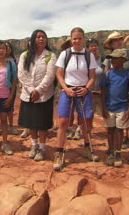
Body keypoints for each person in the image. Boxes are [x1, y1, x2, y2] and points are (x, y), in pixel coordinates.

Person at [53, 27, 98, 171]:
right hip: (68, 90)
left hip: (84, 91)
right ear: (71, 39)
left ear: (83, 39)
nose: (77, 41)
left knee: (86, 121)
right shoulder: (65, 54)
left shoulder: (88, 55)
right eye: (74, 38)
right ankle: (59, 153)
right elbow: (59, 74)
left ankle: (86, 148)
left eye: (79, 38)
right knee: (63, 122)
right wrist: (66, 89)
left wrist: (86, 88)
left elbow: (92, 76)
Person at [18, 30, 57, 161]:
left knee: (42, 123)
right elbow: (22, 74)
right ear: (33, 39)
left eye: (43, 37)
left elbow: (50, 75)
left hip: (44, 96)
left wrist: (38, 90)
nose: (41, 39)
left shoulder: (50, 55)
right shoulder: (25, 55)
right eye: (38, 37)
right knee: (31, 122)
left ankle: (42, 147)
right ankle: (34, 145)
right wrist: (31, 89)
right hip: (28, 94)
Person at [103, 31, 129, 162]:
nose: (118, 41)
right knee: (112, 128)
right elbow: (106, 83)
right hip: (112, 102)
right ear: (111, 44)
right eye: (115, 40)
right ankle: (111, 151)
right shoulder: (108, 60)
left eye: (120, 39)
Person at [5, 42, 19, 135]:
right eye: (6, 47)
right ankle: (2, 126)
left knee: (10, 107)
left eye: (10, 47)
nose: (8, 49)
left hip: (11, 86)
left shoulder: (14, 60)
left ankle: (10, 126)